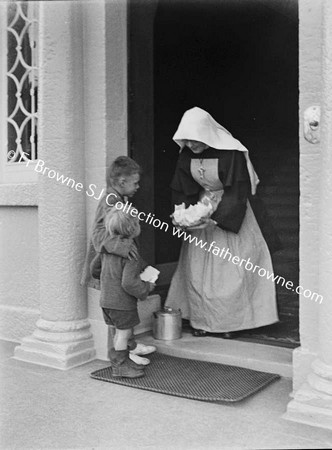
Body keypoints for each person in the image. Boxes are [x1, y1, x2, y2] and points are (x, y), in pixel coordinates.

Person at [165, 107, 279, 337]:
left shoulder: (231, 153)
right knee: (197, 271)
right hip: (202, 210)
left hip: (229, 211)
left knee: (230, 270)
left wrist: (216, 220)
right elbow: (182, 187)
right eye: (186, 139)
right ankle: (202, 321)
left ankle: (230, 324)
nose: (190, 144)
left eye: (194, 139)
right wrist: (181, 214)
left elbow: (237, 190)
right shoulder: (187, 155)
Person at [81, 156, 156, 364]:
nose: (138, 186)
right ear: (122, 182)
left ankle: (130, 346)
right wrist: (124, 248)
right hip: (111, 267)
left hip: (113, 266)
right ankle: (126, 354)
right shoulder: (110, 201)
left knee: (123, 314)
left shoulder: (117, 198)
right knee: (122, 312)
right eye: (135, 182)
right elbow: (98, 234)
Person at [101, 208, 155, 378]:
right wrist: (146, 287)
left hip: (106, 300)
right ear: (133, 228)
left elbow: (94, 268)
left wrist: (108, 280)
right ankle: (120, 367)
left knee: (118, 333)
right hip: (122, 303)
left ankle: (122, 363)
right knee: (124, 334)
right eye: (137, 223)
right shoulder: (130, 252)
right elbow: (129, 282)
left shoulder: (106, 246)